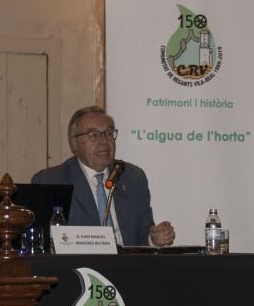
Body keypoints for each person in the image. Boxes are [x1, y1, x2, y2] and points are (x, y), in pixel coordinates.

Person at [32, 106, 175, 247]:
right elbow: (43, 243)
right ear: (74, 143)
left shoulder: (132, 177)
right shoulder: (51, 180)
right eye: (93, 135)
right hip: (79, 261)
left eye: (108, 133)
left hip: (127, 261)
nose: (104, 142)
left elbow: (144, 234)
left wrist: (154, 239)